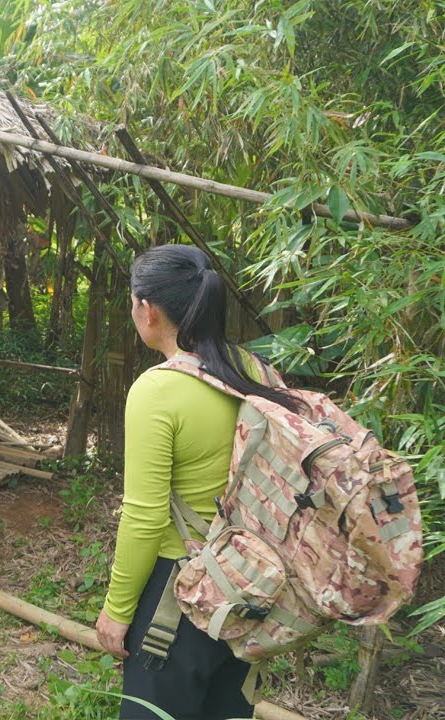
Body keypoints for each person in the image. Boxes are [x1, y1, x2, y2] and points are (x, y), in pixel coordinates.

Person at [95, 244, 302, 719]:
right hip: (249, 590)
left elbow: (145, 518)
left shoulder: (157, 390)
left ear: (147, 310)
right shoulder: (253, 370)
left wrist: (118, 610)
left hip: (180, 594)